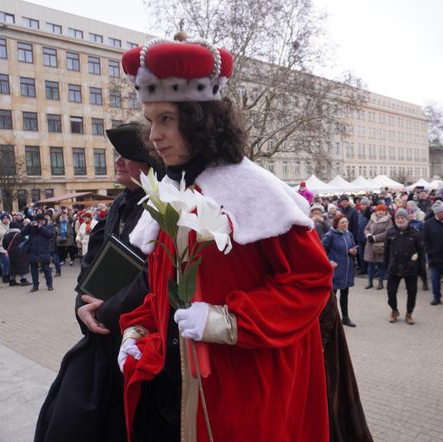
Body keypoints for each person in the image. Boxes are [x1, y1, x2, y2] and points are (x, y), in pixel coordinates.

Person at [116, 36, 331, 441]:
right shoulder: (169, 189)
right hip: (173, 386)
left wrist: (225, 319)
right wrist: (137, 330)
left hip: (244, 389)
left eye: (165, 119)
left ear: (200, 120)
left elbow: (311, 282)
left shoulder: (256, 189)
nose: (154, 135)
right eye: (151, 120)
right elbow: (163, 290)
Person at [34, 122, 158, 442]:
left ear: (149, 163)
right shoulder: (118, 204)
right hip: (102, 334)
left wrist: (107, 310)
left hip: (137, 334)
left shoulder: (162, 208)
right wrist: (82, 306)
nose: (118, 161)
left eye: (127, 155)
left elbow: (154, 278)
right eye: (118, 154)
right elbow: (93, 261)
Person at [384, 208, 425, 324]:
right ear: (395, 219)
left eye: (402, 218)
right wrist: (386, 265)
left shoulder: (415, 233)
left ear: (407, 219)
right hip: (394, 267)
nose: (400, 220)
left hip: (410, 267)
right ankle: (394, 310)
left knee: (412, 292)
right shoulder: (390, 232)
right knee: (391, 292)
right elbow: (386, 250)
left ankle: (409, 314)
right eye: (398, 218)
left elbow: (421, 251)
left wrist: (421, 270)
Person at [322, 214, 358, 327]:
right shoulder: (330, 235)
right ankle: (331, 319)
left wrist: (353, 251)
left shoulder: (349, 234)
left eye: (346, 222)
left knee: (345, 294)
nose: (345, 224)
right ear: (336, 224)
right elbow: (321, 250)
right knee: (332, 297)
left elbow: (353, 247)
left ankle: (345, 318)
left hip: (347, 270)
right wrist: (329, 261)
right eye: (342, 222)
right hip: (336, 270)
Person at [21, 213, 55, 292]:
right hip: (33, 251)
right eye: (38, 221)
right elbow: (22, 233)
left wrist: (40, 227)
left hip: (44, 251)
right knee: (33, 270)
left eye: (42, 220)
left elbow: (50, 234)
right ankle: (35, 286)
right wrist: (29, 225)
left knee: (46, 269)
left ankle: (50, 285)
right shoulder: (31, 227)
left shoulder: (48, 226)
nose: (40, 222)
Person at [363, 203, 393, 290]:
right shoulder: (372, 218)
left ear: (385, 211)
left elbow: (387, 232)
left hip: (380, 245)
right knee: (370, 264)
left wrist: (375, 238)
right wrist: (368, 235)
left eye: (382, 210)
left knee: (380, 264)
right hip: (370, 244)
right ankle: (370, 282)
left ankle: (380, 282)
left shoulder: (388, 220)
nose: (380, 212)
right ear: (376, 211)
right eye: (379, 210)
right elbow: (366, 228)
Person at [2, 221, 30, 286]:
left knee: (12, 266)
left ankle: (12, 281)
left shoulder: (6, 235)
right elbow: (26, 241)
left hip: (10, 253)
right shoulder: (20, 234)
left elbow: (4, 245)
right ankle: (24, 280)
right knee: (21, 265)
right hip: (20, 252)